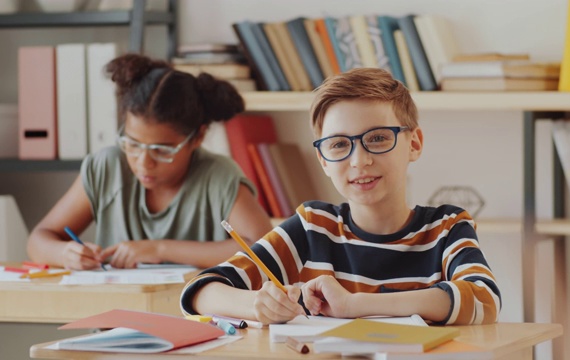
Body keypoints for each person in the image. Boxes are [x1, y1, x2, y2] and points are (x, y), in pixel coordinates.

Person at [180, 68, 501, 325]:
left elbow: (483, 299)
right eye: (338, 145)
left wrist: (356, 305)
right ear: (322, 160)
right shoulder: (312, 228)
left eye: (377, 138)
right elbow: (200, 292)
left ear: (414, 144)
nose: (359, 160)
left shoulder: (446, 228)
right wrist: (256, 304)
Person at [27, 53, 272, 270]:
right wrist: (65, 253)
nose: (143, 162)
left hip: (193, 319)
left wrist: (160, 249)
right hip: (116, 318)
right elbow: (38, 240)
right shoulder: (106, 168)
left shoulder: (218, 176)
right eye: (132, 144)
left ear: (197, 136)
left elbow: (265, 249)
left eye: (162, 150)